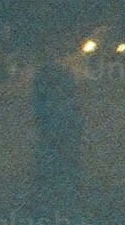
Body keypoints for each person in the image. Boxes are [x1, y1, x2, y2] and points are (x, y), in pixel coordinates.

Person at [31, 58, 85, 200]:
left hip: (55, 121)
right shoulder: (64, 78)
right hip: (60, 121)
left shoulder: (43, 78)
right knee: (63, 151)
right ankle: (64, 182)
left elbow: (39, 105)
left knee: (52, 150)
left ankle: (50, 182)